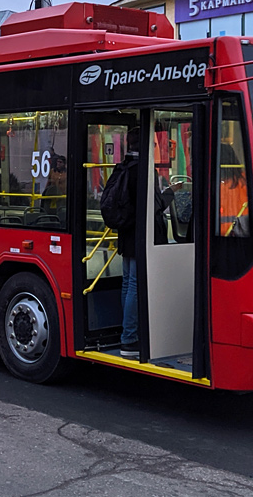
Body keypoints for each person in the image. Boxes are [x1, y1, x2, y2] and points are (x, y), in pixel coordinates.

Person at [115, 128, 141, 360]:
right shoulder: (141, 171)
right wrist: (170, 194)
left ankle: (126, 332)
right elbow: (153, 205)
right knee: (134, 284)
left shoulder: (121, 167)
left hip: (124, 232)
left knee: (127, 283)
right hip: (139, 234)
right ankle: (130, 337)